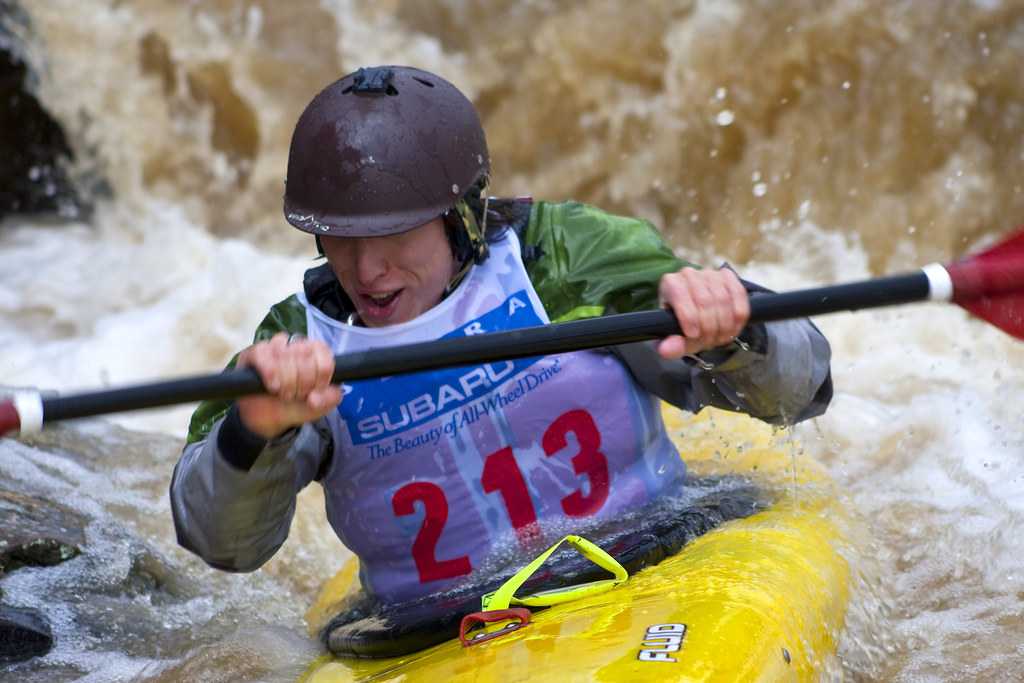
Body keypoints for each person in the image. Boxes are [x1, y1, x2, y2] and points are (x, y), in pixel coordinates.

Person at [170, 66, 832, 609]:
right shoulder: (298, 345)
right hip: (434, 628)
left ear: (461, 218)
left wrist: (733, 334)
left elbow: (805, 391)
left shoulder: (563, 263)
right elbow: (222, 544)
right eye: (342, 237)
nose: (367, 271)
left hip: (650, 558)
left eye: (395, 235)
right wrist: (254, 432)